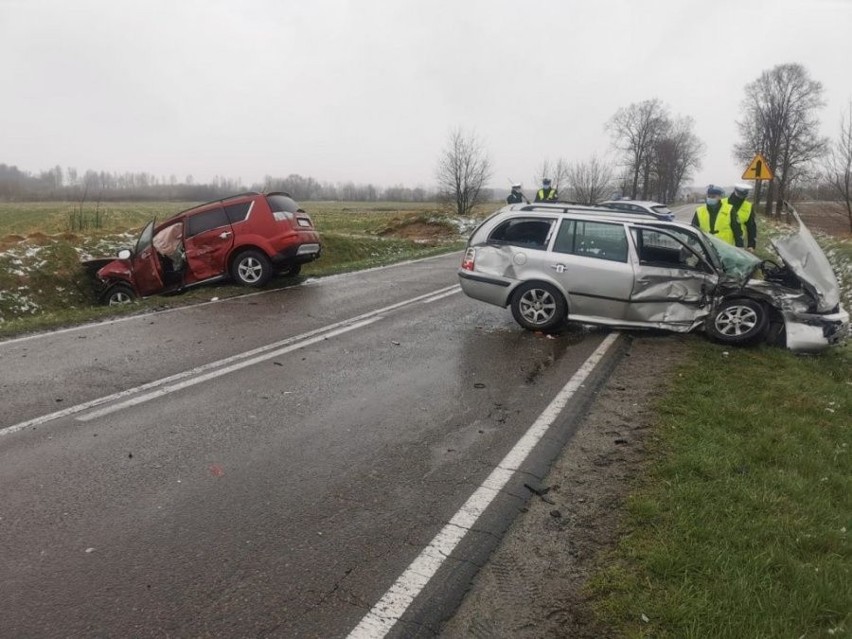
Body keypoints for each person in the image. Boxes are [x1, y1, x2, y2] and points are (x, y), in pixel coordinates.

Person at [724, 183, 757, 252]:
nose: (741, 197)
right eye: (740, 195)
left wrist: (751, 245)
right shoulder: (722, 203)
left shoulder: (748, 206)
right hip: (720, 243)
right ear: (735, 191)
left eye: (744, 195)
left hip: (738, 245)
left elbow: (751, 227)